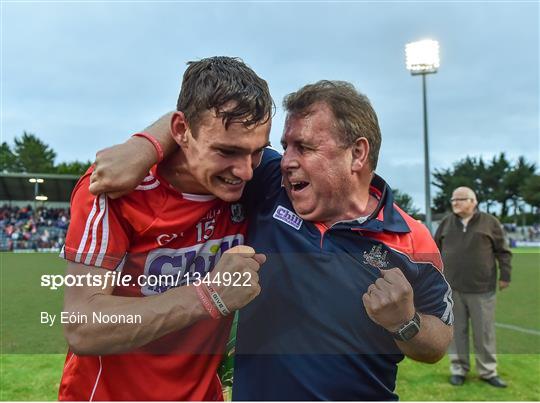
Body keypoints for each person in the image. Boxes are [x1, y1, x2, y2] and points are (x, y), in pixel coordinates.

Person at [91, 80, 454, 400]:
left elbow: (437, 343)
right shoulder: (268, 186)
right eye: (285, 146)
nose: (284, 161)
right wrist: (145, 145)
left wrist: (404, 322)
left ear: (357, 154)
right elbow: (205, 122)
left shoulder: (410, 239)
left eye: (304, 147)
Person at [58, 56, 273, 401]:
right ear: (181, 132)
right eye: (226, 151)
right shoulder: (116, 191)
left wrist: (147, 142)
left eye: (257, 152)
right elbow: (83, 325)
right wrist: (210, 295)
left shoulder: (255, 182)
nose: (245, 170)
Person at [434, 186, 511, 388]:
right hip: (452, 288)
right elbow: (434, 250)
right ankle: (458, 368)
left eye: (460, 199)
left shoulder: (490, 223)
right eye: (453, 199)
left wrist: (505, 276)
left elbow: (503, 252)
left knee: (484, 332)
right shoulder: (446, 223)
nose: (455, 203)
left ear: (473, 201)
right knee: (456, 331)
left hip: (482, 288)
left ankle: (488, 371)